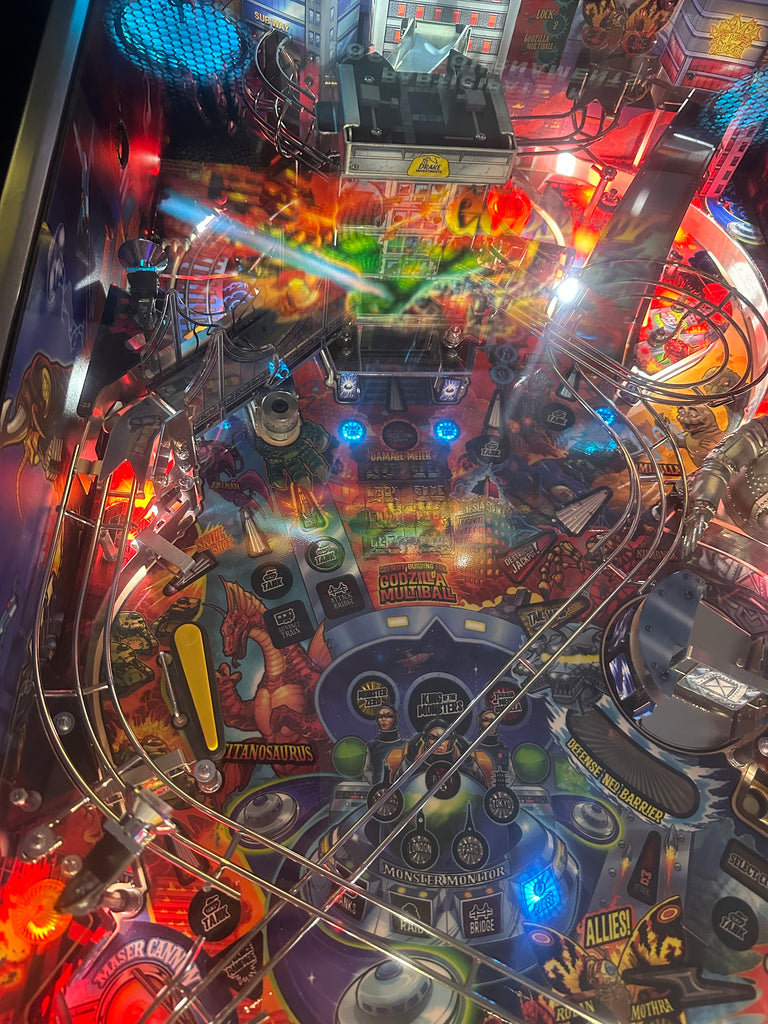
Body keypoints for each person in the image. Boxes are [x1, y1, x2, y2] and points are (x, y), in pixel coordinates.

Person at [361, 703, 402, 784]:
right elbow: (367, 770)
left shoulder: (405, 744)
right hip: (378, 789)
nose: (383, 719)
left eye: (388, 716)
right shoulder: (372, 745)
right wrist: (376, 785)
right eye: (380, 716)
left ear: (395, 719)